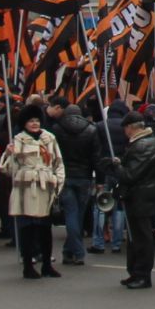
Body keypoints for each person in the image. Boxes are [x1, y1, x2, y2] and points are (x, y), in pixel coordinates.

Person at [0, 105, 65, 280]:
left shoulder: (50, 138)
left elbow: (58, 163)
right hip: (25, 188)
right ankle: (28, 265)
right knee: (27, 228)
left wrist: (58, 184)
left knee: (45, 228)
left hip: (45, 187)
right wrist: (9, 154)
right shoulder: (18, 140)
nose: (34, 124)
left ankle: (47, 265)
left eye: (37, 120)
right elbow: (9, 170)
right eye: (31, 121)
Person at [104, 113, 155, 289]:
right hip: (140, 194)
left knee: (141, 237)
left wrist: (116, 167)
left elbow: (131, 174)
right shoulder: (143, 143)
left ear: (131, 127)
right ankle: (135, 272)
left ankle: (143, 274)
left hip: (141, 195)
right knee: (134, 236)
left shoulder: (143, 145)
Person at [51, 104, 98, 267]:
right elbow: (96, 156)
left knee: (71, 212)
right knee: (78, 213)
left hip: (65, 175)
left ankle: (70, 251)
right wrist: (99, 179)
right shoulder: (91, 130)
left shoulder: (57, 129)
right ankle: (76, 252)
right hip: (84, 176)